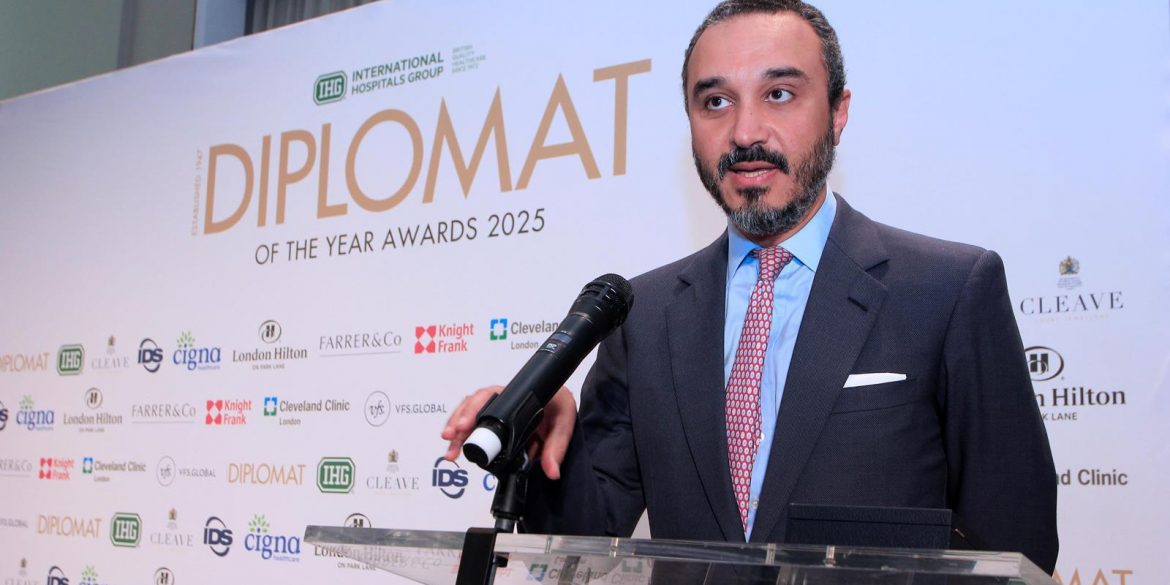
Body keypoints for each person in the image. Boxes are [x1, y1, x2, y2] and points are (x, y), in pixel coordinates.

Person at [442, 0, 1059, 574]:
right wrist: (540, 435)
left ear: (838, 112)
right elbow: (585, 545)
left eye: (779, 94)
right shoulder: (643, 316)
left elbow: (1016, 543)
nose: (744, 132)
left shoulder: (947, 291)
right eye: (715, 102)